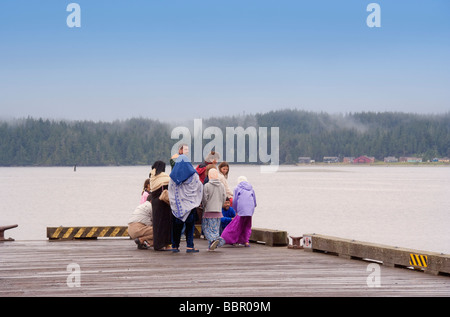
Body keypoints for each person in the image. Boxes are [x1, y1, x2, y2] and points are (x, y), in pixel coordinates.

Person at [169, 154, 203, 253]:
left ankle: (175, 246)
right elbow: (199, 187)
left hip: (177, 206)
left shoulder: (173, 176)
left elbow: (170, 190)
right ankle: (189, 246)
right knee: (190, 226)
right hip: (190, 205)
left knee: (176, 227)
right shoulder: (194, 175)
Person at [221, 176, 256, 247]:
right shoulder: (251, 188)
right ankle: (246, 241)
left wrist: (235, 210)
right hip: (250, 210)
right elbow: (254, 201)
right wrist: (252, 209)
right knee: (247, 225)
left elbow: (235, 201)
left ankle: (229, 239)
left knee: (236, 225)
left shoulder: (237, 188)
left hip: (242, 210)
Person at [149, 160, 173, 251]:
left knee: (157, 224)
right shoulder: (164, 176)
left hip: (155, 202)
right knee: (166, 224)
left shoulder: (152, 176)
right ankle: (167, 244)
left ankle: (158, 244)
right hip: (164, 201)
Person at [202, 168, 226, 251]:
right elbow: (224, 197)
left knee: (206, 228)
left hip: (209, 210)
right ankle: (211, 246)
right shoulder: (222, 185)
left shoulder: (207, 186)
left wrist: (204, 206)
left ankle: (216, 240)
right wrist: (220, 205)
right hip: (218, 210)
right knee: (215, 229)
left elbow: (205, 198)